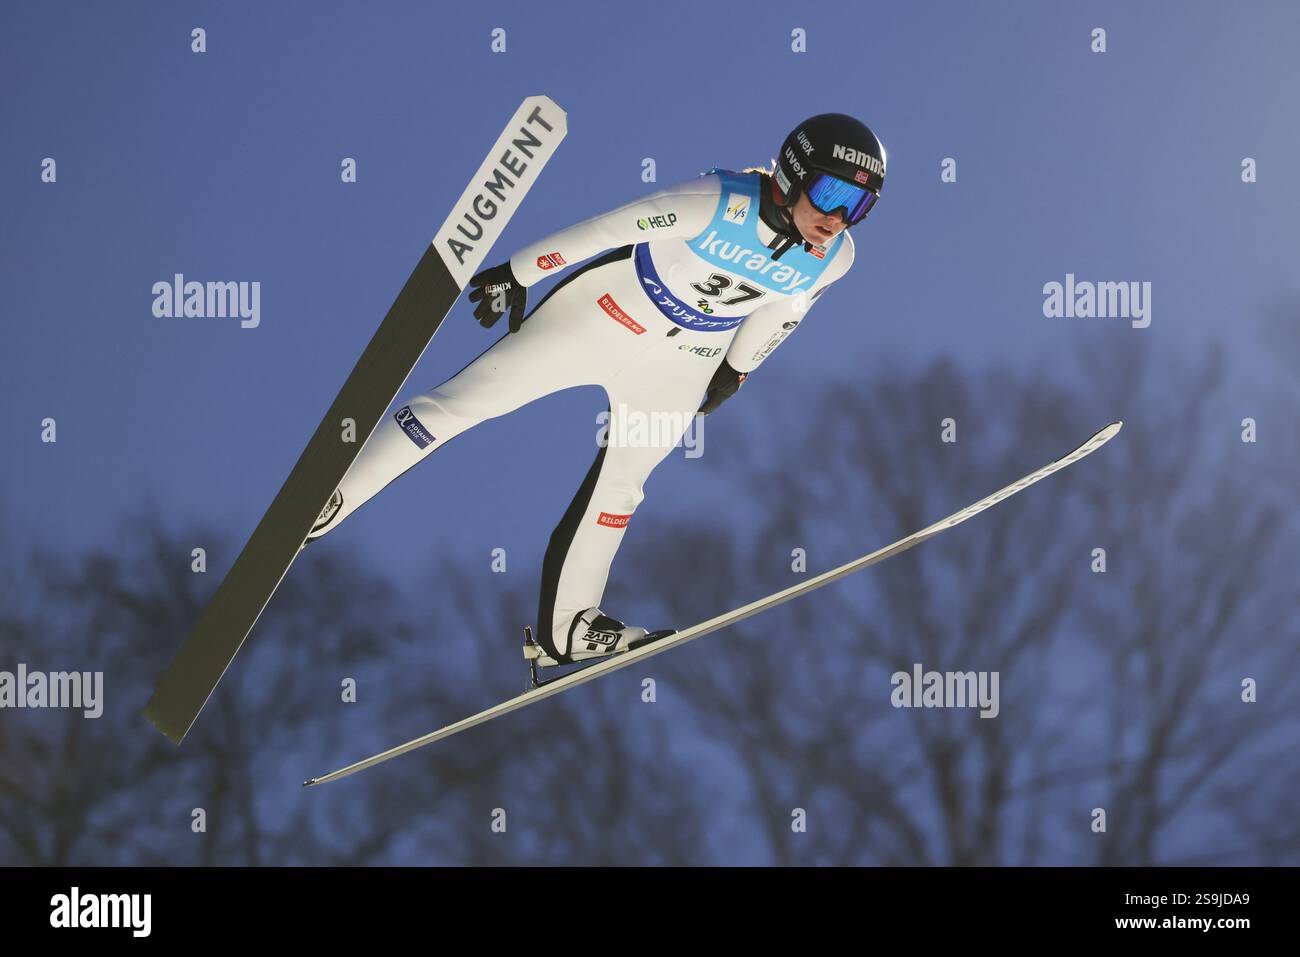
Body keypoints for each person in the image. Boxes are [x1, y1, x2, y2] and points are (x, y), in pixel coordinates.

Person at [305, 113, 887, 669]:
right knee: (467, 402)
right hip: (604, 315)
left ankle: (570, 628)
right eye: (831, 194)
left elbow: (784, 311)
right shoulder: (716, 202)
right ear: (790, 174)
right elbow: (611, 227)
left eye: (857, 205)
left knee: (623, 488)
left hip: (685, 362)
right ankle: (331, 498)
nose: (837, 218)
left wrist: (735, 373)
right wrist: (521, 271)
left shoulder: (835, 258)